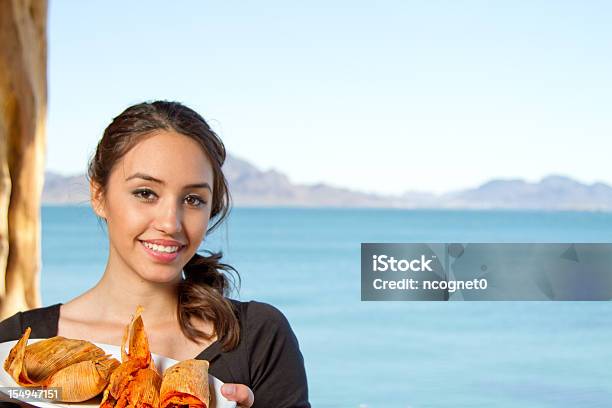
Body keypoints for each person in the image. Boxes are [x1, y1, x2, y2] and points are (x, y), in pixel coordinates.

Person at [0, 101, 310, 408]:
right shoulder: (13, 348)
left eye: (193, 199)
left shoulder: (258, 337)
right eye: (145, 193)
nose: (170, 223)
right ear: (99, 195)